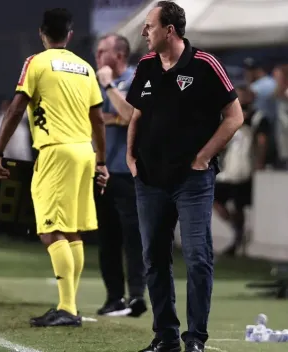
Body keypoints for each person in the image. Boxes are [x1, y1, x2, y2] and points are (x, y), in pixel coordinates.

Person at [97, 2, 243, 351]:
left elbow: (234, 116)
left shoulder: (206, 65)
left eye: (149, 26)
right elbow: (136, 115)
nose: (144, 33)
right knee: (153, 260)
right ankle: (166, 337)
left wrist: (204, 157)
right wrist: (131, 157)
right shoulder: (146, 65)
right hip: (149, 180)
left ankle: (196, 338)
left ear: (169, 31)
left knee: (197, 258)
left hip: (192, 181)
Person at [0, 8, 108, 327]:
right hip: (84, 151)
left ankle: (68, 308)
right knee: (72, 229)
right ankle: (68, 303)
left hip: (56, 151)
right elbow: (98, 118)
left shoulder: (36, 62)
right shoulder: (86, 68)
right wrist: (101, 159)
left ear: (42, 34)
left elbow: (17, 108)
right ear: (69, 35)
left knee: (48, 228)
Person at [94, 33, 147, 317]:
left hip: (129, 172)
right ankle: (114, 297)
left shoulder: (136, 78)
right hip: (102, 170)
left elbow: (129, 115)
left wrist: (109, 85)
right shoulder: (94, 84)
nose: (98, 56)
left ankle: (137, 296)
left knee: (133, 237)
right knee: (108, 238)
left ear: (118, 55)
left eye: (102, 51)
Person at [213, 85, 269, 256]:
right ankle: (237, 231)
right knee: (215, 200)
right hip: (228, 168)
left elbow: (262, 140)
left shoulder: (258, 117)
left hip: (245, 167)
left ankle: (238, 239)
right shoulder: (227, 116)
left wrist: (259, 161)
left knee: (239, 206)